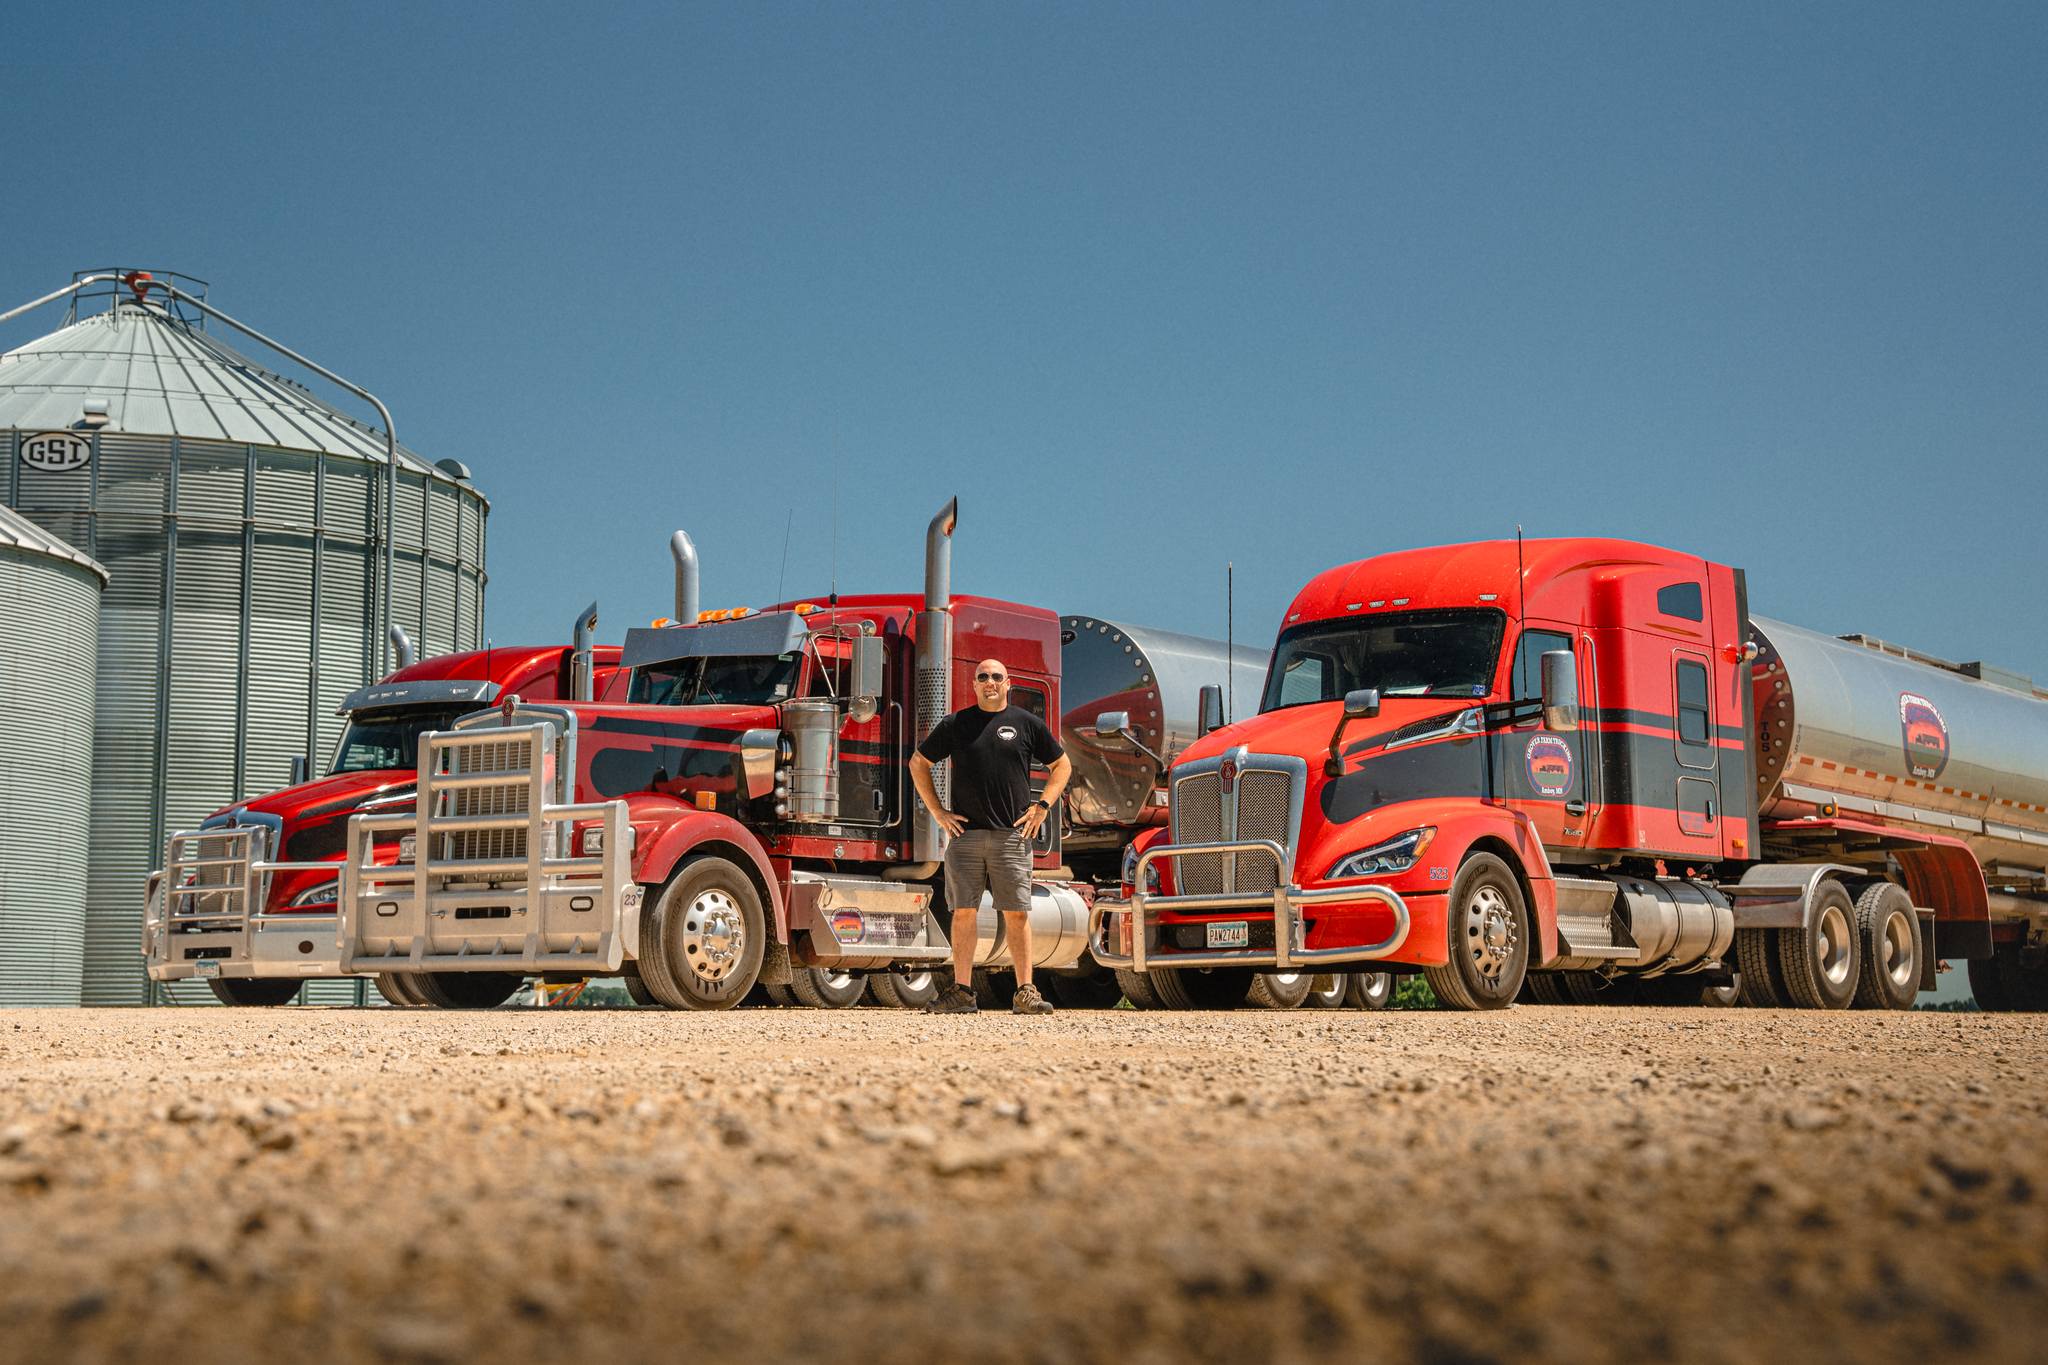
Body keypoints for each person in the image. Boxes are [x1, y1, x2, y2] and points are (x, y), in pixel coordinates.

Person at [910, 658, 1071, 1014]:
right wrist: (937, 812)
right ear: (974, 685)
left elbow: (1062, 765)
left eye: (997, 677)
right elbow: (918, 763)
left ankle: (1025, 992)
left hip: (1011, 838)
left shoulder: (1026, 724)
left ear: (1008, 683)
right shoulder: (957, 724)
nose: (990, 682)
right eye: (983, 677)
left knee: (1016, 913)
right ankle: (962, 994)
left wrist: (1042, 806)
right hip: (965, 838)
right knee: (963, 913)